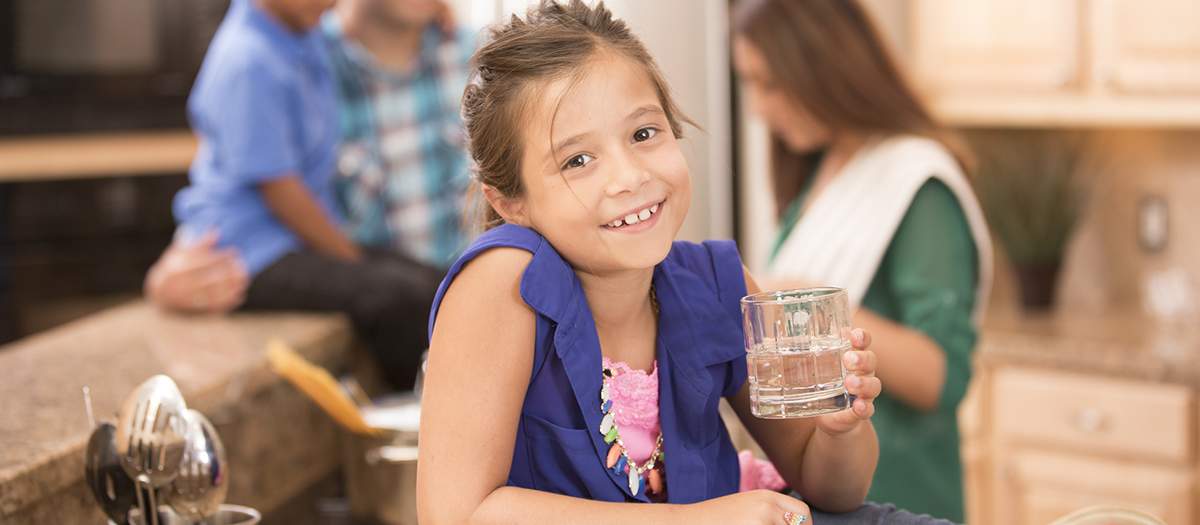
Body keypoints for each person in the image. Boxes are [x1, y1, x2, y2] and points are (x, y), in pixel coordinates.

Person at [417, 2, 906, 524]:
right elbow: (454, 514)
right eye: (577, 161)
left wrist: (840, 429)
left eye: (644, 134)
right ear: (510, 203)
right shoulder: (503, 283)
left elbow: (832, 489)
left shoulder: (716, 285)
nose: (629, 176)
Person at [731, 0, 994, 521]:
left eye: (771, 83)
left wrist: (816, 309)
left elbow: (944, 375)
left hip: (899, 493)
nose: (759, 108)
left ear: (824, 67)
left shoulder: (918, 185)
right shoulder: (818, 170)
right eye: (749, 84)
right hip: (815, 491)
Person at [161, 0, 446, 390]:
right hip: (247, 255)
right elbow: (281, 191)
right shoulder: (248, 60)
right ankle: (410, 415)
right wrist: (350, 258)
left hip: (291, 242)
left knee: (438, 281)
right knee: (398, 298)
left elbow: (362, 26)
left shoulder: (301, 34)